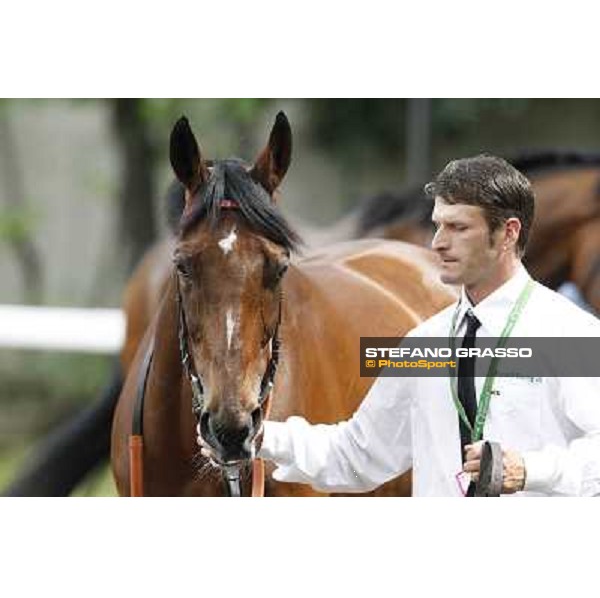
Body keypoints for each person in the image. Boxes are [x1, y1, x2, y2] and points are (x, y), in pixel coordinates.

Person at [203, 154, 600, 496]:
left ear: (508, 233)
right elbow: (358, 453)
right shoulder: (424, 344)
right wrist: (265, 437)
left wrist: (530, 470)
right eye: (438, 224)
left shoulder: (569, 334)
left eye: (458, 227)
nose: (438, 243)